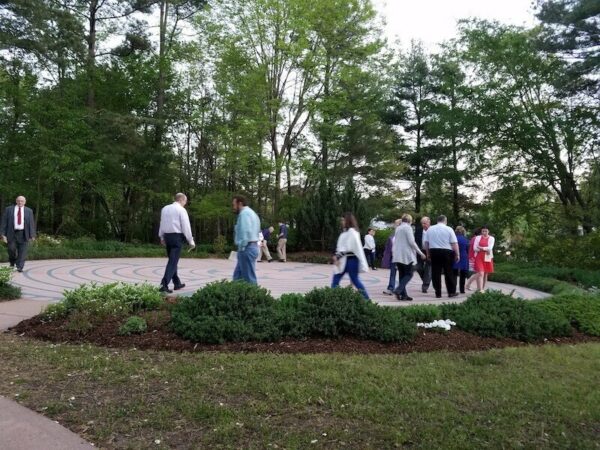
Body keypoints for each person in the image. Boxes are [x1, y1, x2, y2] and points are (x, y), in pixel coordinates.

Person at [158, 193, 195, 293]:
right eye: (185, 202)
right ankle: (164, 285)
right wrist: (190, 241)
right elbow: (186, 226)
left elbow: (162, 223)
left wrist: (161, 237)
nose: (185, 204)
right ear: (182, 200)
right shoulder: (181, 210)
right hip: (176, 238)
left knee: (172, 260)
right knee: (173, 262)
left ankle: (177, 283)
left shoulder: (165, 208)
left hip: (167, 236)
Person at [331, 212, 370, 300]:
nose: (342, 222)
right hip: (344, 259)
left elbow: (349, 247)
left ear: (347, 220)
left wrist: (337, 256)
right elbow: (342, 247)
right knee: (336, 279)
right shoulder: (345, 233)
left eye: (343, 220)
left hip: (351, 260)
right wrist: (337, 256)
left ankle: (367, 300)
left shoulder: (352, 232)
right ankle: (332, 299)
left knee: (355, 280)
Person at [423, 215, 460, 298]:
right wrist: (457, 254)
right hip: (447, 252)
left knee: (435, 272)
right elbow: (454, 243)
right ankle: (451, 292)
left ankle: (438, 293)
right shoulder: (449, 229)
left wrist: (428, 253)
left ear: (437, 220)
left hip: (434, 251)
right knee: (448, 272)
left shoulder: (430, 229)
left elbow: (426, 243)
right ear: (445, 221)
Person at [392, 214, 426, 301]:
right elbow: (412, 242)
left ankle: (404, 295)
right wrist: (420, 253)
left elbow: (396, 242)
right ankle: (398, 290)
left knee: (402, 275)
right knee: (409, 274)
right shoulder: (408, 228)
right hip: (406, 255)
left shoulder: (398, 228)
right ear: (410, 221)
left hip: (397, 255)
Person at [0, 196, 36, 272]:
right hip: (11, 233)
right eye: (19, 201)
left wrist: (32, 234)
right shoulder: (9, 209)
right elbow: (4, 222)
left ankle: (20, 267)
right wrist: (2, 234)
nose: (20, 202)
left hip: (24, 233)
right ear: (16, 201)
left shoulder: (29, 211)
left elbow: (31, 223)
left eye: (22, 201)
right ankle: (12, 263)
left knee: (23, 251)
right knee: (11, 249)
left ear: (25, 202)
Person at [232, 196, 261, 284]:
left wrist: (241, 246)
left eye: (234, 205)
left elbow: (245, 231)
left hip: (246, 248)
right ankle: (237, 296)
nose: (233, 207)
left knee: (249, 279)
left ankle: (255, 297)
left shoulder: (244, 213)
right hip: (252, 247)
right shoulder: (252, 213)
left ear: (240, 203)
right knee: (237, 277)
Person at [470, 226, 495, 292]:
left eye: (486, 231)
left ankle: (482, 289)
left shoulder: (492, 238)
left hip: (487, 257)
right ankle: (480, 289)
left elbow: (490, 248)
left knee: (485, 273)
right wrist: (485, 248)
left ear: (488, 231)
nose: (484, 232)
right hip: (479, 256)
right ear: (481, 231)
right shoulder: (478, 238)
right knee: (481, 273)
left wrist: (481, 248)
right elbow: (475, 248)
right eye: (483, 231)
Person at [382, 219, 401, 295]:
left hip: (401, 257)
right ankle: (391, 288)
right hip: (393, 257)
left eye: (396, 224)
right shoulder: (393, 234)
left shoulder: (403, 234)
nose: (394, 226)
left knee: (402, 274)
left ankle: (400, 290)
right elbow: (388, 246)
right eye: (395, 224)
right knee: (393, 273)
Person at [414, 216, 432, 293]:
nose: (423, 225)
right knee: (418, 267)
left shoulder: (433, 230)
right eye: (422, 223)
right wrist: (419, 252)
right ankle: (425, 280)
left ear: (429, 222)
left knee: (428, 269)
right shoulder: (418, 230)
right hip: (420, 251)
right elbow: (415, 242)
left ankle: (425, 286)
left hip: (430, 252)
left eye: (425, 223)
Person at [453, 226, 470, 294]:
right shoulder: (465, 239)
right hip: (463, 256)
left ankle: (453, 289)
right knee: (463, 275)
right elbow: (467, 249)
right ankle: (462, 290)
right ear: (463, 231)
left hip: (454, 256)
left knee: (454, 274)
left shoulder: (453, 238)